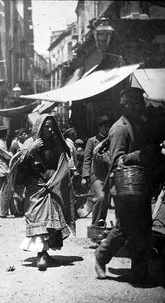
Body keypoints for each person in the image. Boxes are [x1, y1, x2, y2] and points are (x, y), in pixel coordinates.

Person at [94, 88, 165, 284]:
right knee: (124, 228)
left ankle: (139, 272)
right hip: (124, 187)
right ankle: (101, 256)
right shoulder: (119, 129)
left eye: (138, 103)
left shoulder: (138, 124)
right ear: (123, 105)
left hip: (139, 185)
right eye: (131, 103)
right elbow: (117, 161)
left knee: (143, 228)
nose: (136, 107)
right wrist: (142, 154)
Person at [12, 114, 75, 271]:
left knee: (51, 221)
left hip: (53, 186)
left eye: (51, 126)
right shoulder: (30, 143)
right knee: (37, 218)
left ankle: (44, 253)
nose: (48, 129)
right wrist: (31, 151)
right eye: (45, 126)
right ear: (38, 127)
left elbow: (63, 163)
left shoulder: (56, 143)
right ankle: (41, 255)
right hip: (35, 188)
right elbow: (19, 167)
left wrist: (56, 180)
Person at [81, 116, 111, 227]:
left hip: (108, 175)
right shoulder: (92, 141)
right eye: (104, 126)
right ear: (99, 127)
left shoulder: (111, 140)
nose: (107, 128)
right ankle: (95, 226)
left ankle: (101, 225)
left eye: (108, 126)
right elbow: (87, 159)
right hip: (96, 175)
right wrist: (85, 176)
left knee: (107, 200)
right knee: (101, 197)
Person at [0, 126, 18, 218]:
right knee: (6, 191)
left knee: (9, 191)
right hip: (4, 170)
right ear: (5, 134)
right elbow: (8, 157)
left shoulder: (2, 143)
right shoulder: (0, 144)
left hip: (4, 170)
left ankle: (13, 211)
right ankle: (3, 212)